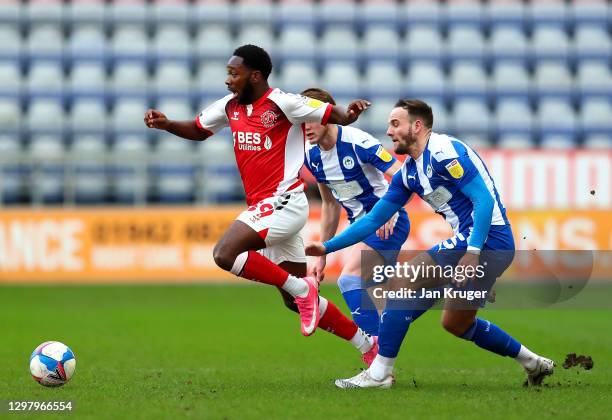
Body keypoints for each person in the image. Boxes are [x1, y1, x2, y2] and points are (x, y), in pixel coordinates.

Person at [145, 45, 377, 362]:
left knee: (224, 253)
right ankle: (368, 347)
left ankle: (302, 288)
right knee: (292, 301)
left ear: (255, 76)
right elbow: (199, 130)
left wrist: (349, 114)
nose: (228, 80)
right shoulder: (230, 107)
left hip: (285, 202)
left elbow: (334, 115)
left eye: (233, 73)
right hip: (265, 209)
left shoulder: (283, 103)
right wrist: (167, 124)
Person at [306, 99, 555, 388]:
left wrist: (473, 254)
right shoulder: (409, 173)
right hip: (475, 244)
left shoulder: (443, 151)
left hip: (488, 239)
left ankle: (379, 374)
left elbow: (483, 200)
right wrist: (327, 247)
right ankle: (534, 363)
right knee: (455, 324)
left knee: (401, 283)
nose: (389, 131)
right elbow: (374, 220)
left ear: (418, 125)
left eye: (395, 124)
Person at [301, 87, 409, 350]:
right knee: (378, 300)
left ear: (328, 116)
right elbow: (329, 204)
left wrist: (389, 210)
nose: (305, 127)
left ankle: (375, 358)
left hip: (386, 223)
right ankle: (384, 360)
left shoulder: (358, 141)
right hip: (360, 227)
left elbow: (402, 175)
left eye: (311, 118)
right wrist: (322, 256)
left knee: (350, 280)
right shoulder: (311, 155)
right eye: (300, 121)